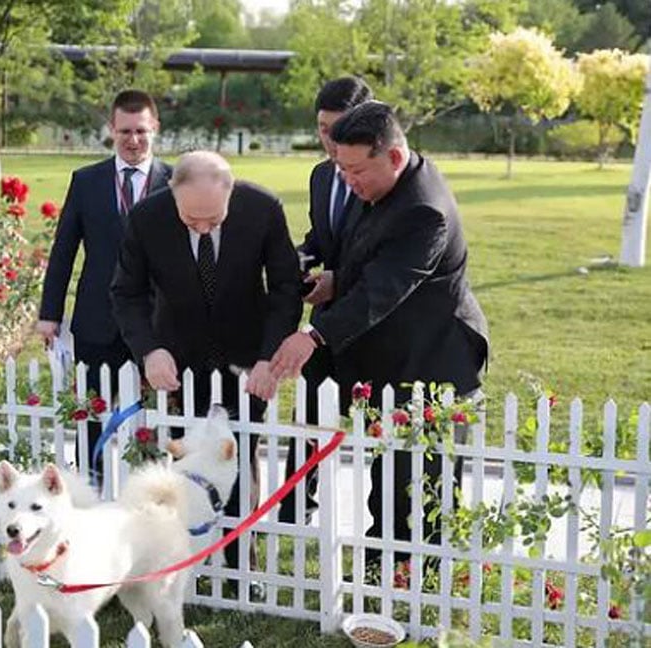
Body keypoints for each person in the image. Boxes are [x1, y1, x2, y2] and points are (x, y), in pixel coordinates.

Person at [269, 101, 489, 564]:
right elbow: (363, 259)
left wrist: (312, 336)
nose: (347, 181)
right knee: (388, 473)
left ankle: (416, 579)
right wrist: (333, 280)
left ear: (392, 156)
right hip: (391, 356)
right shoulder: (377, 186)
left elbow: (382, 291)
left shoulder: (424, 211)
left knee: (417, 486)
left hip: (433, 360)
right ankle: (383, 567)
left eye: (355, 170)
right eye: (340, 168)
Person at [111, 150, 301, 571]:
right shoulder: (146, 218)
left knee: (240, 455)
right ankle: (185, 564)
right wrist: (149, 350)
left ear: (230, 195)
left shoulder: (263, 209)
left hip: (248, 361)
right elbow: (126, 293)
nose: (201, 228)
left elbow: (286, 289)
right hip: (178, 362)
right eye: (191, 220)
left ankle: (239, 566)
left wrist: (269, 358)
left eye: (213, 221)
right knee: (184, 462)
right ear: (172, 194)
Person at [37, 90, 172, 484]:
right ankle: (91, 491)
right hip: (96, 321)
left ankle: (148, 494)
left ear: (155, 129)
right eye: (125, 131)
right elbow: (64, 249)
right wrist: (49, 313)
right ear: (111, 130)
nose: (133, 140)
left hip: (155, 323)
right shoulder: (86, 181)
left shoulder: (176, 180)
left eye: (142, 131)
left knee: (152, 418)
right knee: (91, 417)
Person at [279, 76, 373, 525]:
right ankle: (297, 507)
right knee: (307, 419)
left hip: (374, 321)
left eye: (340, 129)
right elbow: (323, 238)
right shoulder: (320, 175)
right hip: (324, 321)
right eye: (322, 129)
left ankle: (384, 528)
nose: (331, 141)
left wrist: (340, 280)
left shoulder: (379, 179)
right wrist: (297, 260)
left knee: (378, 431)